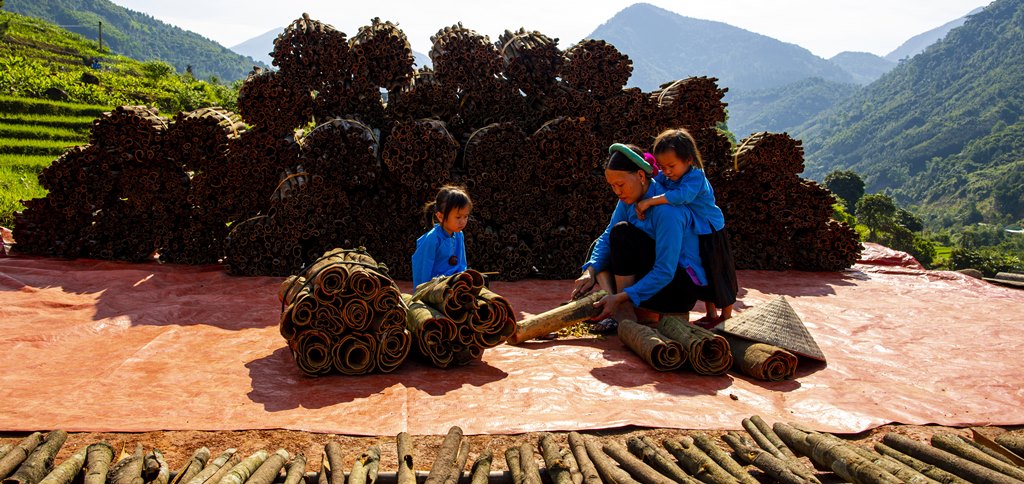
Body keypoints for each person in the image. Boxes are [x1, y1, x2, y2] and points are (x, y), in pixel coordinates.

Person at [572, 143, 707, 333]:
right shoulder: (626, 200)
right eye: (612, 186)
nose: (617, 191)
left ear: (641, 176)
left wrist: (621, 297)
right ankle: (620, 308)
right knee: (604, 244)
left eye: (620, 185)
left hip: (676, 288)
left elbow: (665, 271)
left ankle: (620, 307)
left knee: (622, 234)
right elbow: (607, 236)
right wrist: (590, 271)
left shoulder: (667, 211)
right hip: (649, 279)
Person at [635, 128, 738, 327]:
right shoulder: (669, 175)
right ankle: (710, 314)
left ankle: (726, 316)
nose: (666, 171)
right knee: (704, 273)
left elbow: (679, 197)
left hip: (711, 232)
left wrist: (648, 203)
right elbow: (657, 183)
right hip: (696, 232)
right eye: (662, 166)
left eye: (671, 166)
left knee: (719, 273)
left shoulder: (695, 177)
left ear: (689, 160)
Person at [412, 186, 472, 289]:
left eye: (465, 216)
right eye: (458, 217)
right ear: (440, 216)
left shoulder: (459, 235)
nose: (462, 221)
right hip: (434, 289)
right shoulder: (432, 239)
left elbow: (462, 265)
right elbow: (422, 274)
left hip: (454, 286)